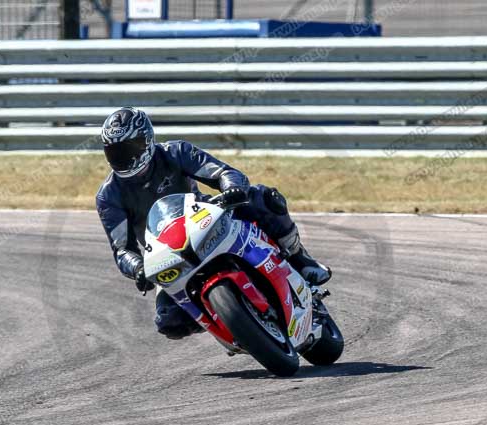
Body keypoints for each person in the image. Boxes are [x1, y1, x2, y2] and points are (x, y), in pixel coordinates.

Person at [95, 107, 331, 340]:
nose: (124, 157)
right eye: (114, 151)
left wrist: (232, 188)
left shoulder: (176, 152)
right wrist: (138, 268)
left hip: (204, 219)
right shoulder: (108, 196)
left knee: (263, 198)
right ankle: (233, 325)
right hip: (167, 253)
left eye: (129, 148)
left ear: (147, 141)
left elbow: (223, 173)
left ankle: (300, 258)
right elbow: (122, 249)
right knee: (169, 322)